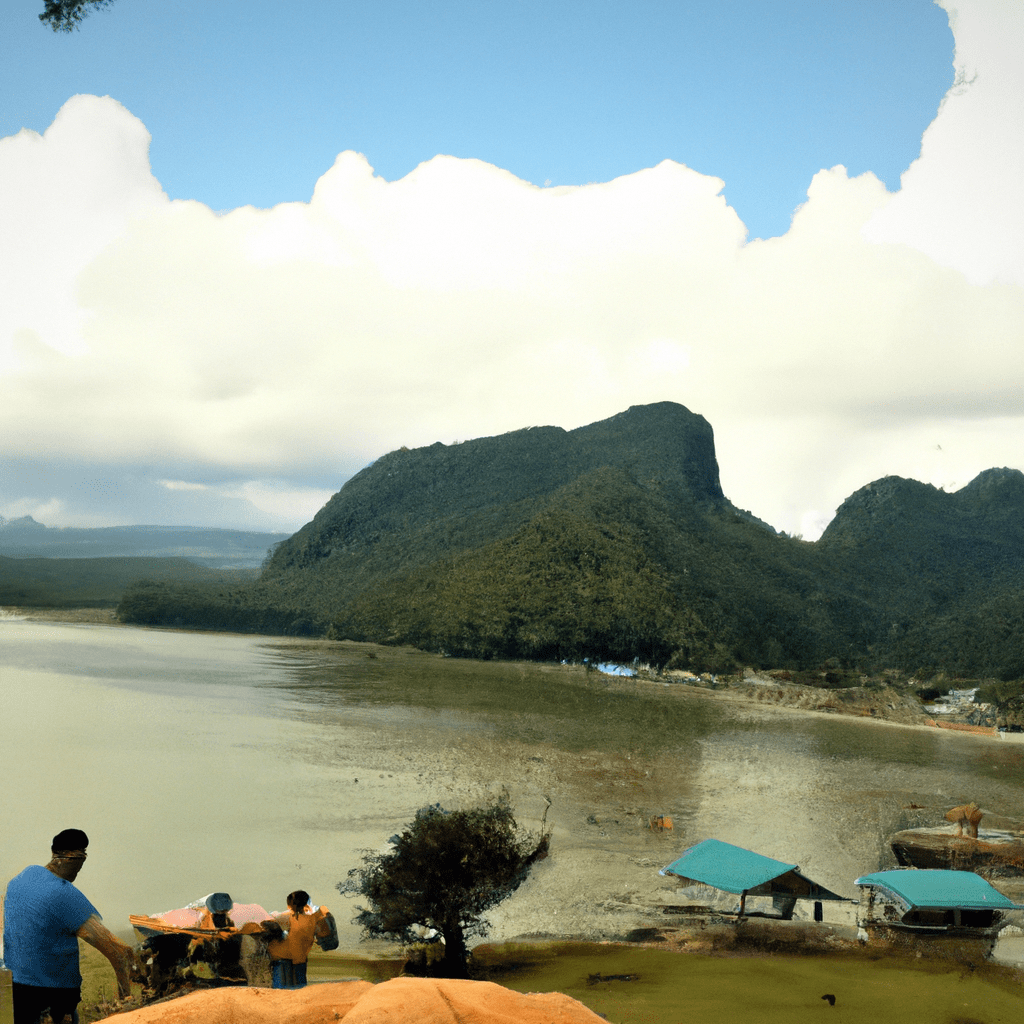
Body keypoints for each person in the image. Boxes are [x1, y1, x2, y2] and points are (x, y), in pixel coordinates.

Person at [3, 829, 140, 1024]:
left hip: (16, 992)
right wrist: (126, 1001)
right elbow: (118, 952)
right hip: (52, 1000)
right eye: (81, 860)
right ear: (76, 859)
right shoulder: (64, 895)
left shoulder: (20, 879)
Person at [268, 890, 330, 989]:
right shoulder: (313, 919)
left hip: (282, 960)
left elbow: (268, 923)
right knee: (300, 993)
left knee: (280, 993)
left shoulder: (287, 917)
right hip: (300, 961)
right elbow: (324, 933)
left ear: (290, 904)